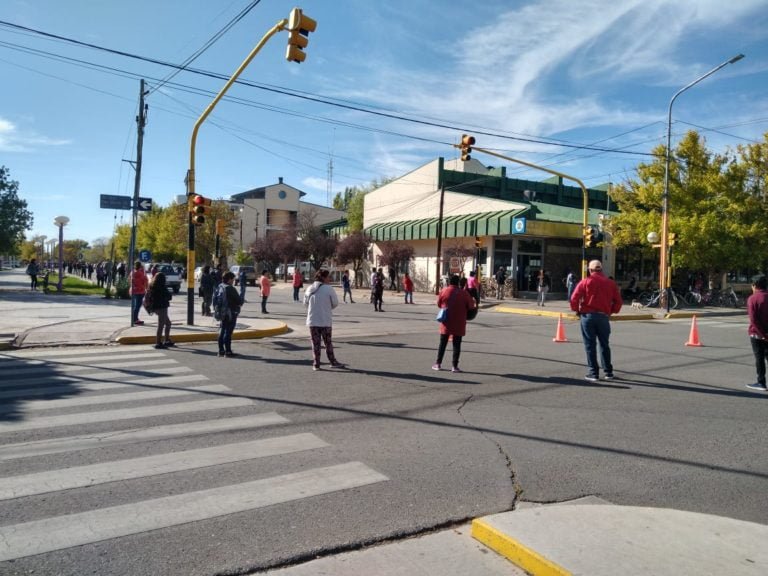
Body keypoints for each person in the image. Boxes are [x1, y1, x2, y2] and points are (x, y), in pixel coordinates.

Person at [570, 260, 623, 382]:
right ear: (601, 269)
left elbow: (574, 298)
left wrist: (577, 310)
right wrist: (611, 311)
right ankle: (608, 372)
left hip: (588, 316)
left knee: (590, 345)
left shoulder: (585, 282)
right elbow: (618, 301)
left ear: (590, 270)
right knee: (604, 344)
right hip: (603, 316)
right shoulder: (611, 283)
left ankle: (593, 373)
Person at [433, 274, 476, 373]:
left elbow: (439, 304)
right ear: (458, 283)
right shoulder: (464, 293)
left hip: (446, 322)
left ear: (449, 282)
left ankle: (438, 364)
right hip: (459, 322)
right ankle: (454, 366)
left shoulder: (444, 291)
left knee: (442, 343)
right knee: (457, 344)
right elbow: (471, 306)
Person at [304, 269, 344, 371]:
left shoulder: (309, 288)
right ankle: (332, 361)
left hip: (312, 321)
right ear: (323, 278)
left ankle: (316, 364)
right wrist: (326, 307)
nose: (329, 279)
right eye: (328, 277)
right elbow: (335, 303)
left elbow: (305, 303)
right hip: (325, 320)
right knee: (328, 342)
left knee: (315, 343)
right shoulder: (329, 289)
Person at [746, 275, 768, 392]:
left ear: (754, 285)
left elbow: (754, 320)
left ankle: (761, 382)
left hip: (757, 334)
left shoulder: (753, 298)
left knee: (759, 358)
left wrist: (763, 335)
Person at [217, 271, 241, 357]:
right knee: (228, 332)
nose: (233, 281)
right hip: (230, 312)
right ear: (229, 279)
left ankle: (221, 350)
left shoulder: (220, 286)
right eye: (233, 279)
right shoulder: (230, 288)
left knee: (222, 330)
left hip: (221, 313)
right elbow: (239, 301)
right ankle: (228, 351)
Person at [149, 272, 173, 349]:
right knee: (161, 325)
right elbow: (169, 296)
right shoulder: (162, 287)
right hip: (162, 307)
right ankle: (158, 342)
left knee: (168, 323)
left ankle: (166, 340)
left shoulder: (152, 286)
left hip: (156, 308)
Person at [129, 260, 148, 326]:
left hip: (133, 290)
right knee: (137, 305)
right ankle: (135, 319)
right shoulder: (140, 273)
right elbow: (145, 281)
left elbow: (130, 280)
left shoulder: (132, 272)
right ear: (140, 266)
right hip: (140, 291)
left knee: (135, 305)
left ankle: (135, 318)